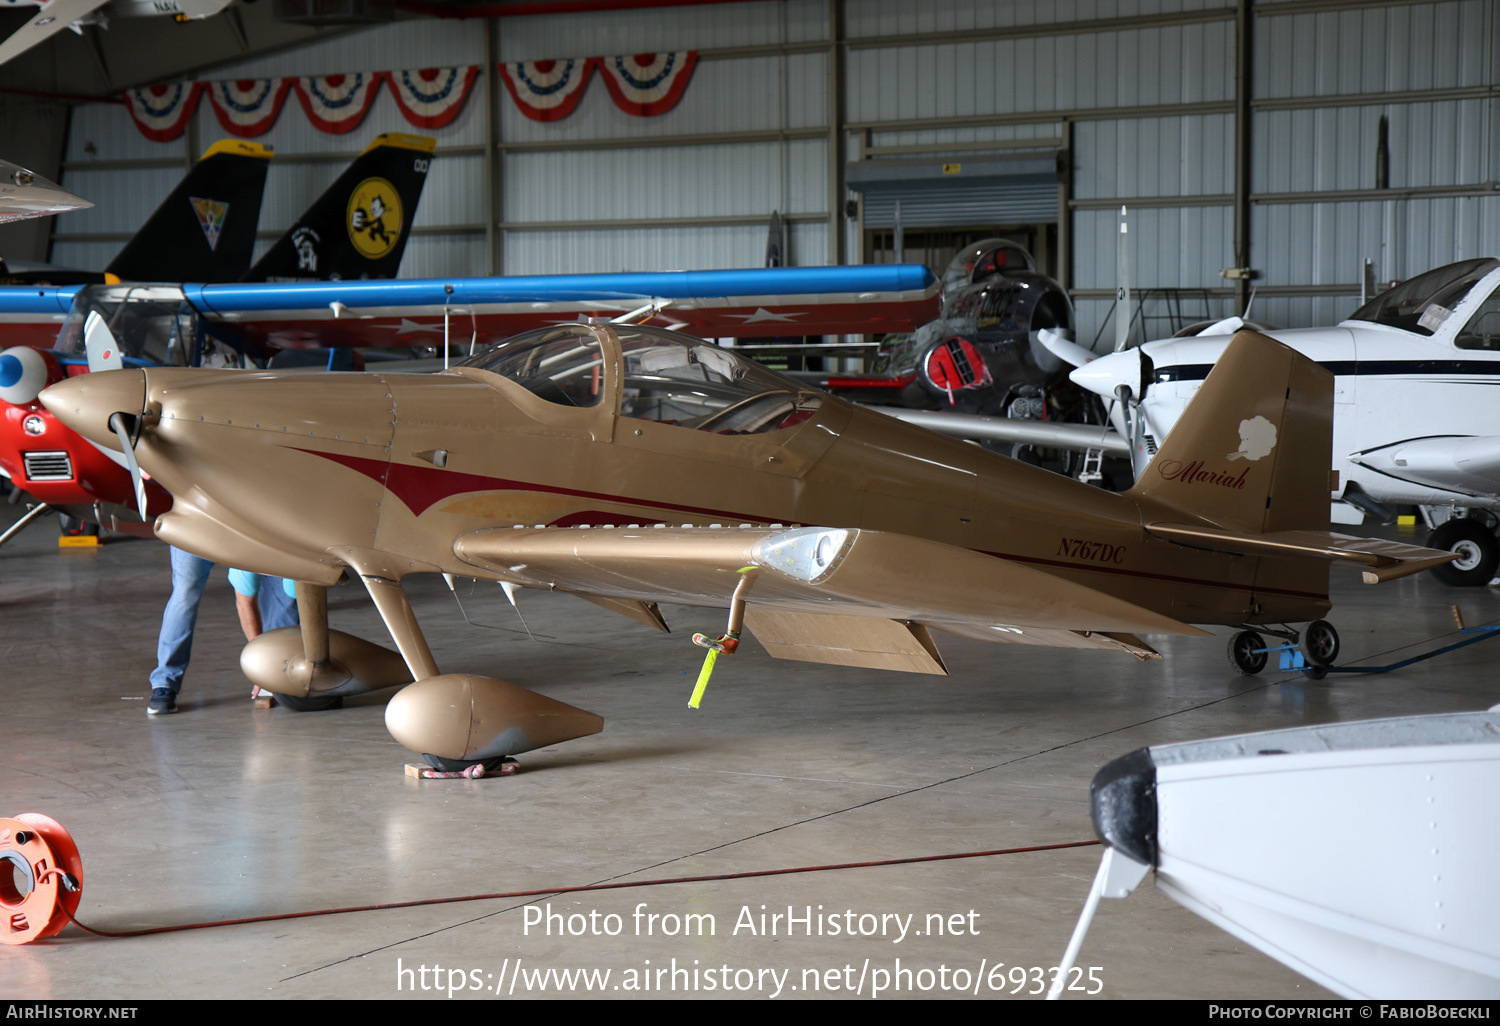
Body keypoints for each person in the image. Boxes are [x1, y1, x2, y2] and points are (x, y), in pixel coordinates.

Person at [146, 547, 298, 715]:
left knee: (285, 596)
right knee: (185, 593)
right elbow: (244, 603)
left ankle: (281, 671)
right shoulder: (245, 558)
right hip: (196, 529)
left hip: (253, 532)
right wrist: (260, 668)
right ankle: (164, 684)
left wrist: (269, 669)